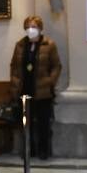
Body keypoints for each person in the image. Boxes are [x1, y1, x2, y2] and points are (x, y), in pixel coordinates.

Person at [8, 16, 63, 160]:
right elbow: (14, 66)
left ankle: (43, 150)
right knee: (27, 122)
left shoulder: (49, 44)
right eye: (28, 27)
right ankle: (29, 150)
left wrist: (50, 81)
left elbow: (56, 66)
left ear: (40, 28)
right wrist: (14, 82)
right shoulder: (20, 45)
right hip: (24, 89)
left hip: (42, 91)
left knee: (43, 123)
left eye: (33, 26)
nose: (30, 30)